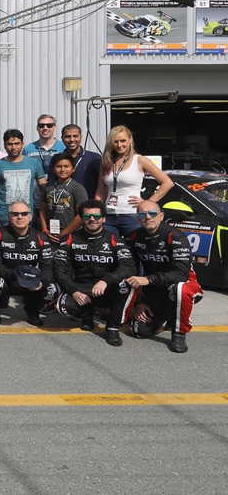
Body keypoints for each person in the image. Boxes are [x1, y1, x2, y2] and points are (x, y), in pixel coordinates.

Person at [124, 201, 204, 354]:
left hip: (184, 283)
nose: (148, 217)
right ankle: (170, 310)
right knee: (139, 331)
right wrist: (138, 302)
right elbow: (129, 270)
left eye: (152, 213)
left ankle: (179, 333)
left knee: (179, 289)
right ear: (138, 218)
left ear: (161, 216)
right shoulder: (133, 236)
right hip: (155, 287)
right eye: (142, 214)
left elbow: (181, 274)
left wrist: (148, 280)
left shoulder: (176, 237)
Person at [53, 201, 135, 346]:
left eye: (96, 216)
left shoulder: (115, 239)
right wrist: (74, 291)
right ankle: (87, 315)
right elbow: (59, 269)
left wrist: (106, 280)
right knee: (63, 306)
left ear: (104, 218)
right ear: (81, 219)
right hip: (81, 288)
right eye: (87, 216)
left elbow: (128, 267)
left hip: (107, 287)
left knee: (126, 284)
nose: (92, 219)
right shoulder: (70, 239)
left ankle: (112, 327)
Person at [0, 201, 58, 326]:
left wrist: (42, 282)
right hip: (7, 279)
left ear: (30, 217)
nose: (20, 217)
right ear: (9, 216)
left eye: (24, 214)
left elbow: (47, 267)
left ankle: (32, 310)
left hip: (30, 281)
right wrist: (15, 275)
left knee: (52, 289)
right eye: (15, 214)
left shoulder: (41, 238)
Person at [95, 125, 172, 238]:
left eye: (123, 141)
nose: (119, 145)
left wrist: (148, 203)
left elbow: (168, 183)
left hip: (132, 214)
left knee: (136, 246)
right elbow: (101, 191)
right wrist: (97, 211)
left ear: (130, 139)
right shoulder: (106, 162)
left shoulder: (139, 160)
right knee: (108, 247)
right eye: (115, 141)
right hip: (109, 215)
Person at [0, 129, 48, 231]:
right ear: (4, 145)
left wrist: (43, 216)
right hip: (3, 217)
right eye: (9, 144)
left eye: (17, 143)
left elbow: (44, 190)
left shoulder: (34, 163)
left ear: (22, 144)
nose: (13, 147)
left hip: (28, 216)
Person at [42, 152, 88, 242]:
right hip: (50, 233)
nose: (62, 169)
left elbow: (81, 215)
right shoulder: (48, 187)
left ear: (73, 169)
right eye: (58, 166)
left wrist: (63, 234)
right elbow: (43, 210)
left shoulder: (77, 188)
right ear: (53, 169)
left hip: (71, 234)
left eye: (66, 166)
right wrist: (45, 229)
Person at [52, 124, 102, 200]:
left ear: (81, 138)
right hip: (64, 204)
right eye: (67, 136)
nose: (72, 139)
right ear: (62, 138)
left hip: (88, 203)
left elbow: (102, 186)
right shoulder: (57, 159)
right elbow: (52, 184)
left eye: (75, 136)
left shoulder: (94, 158)